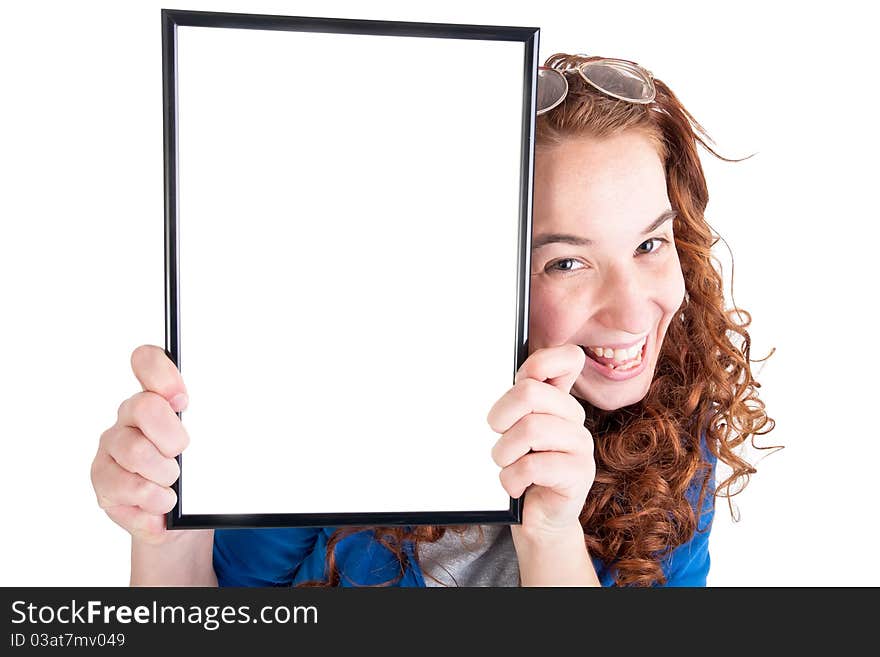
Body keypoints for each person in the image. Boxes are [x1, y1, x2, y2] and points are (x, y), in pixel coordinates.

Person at [90, 52, 775, 587]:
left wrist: (552, 535)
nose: (633, 310)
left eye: (649, 244)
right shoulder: (330, 414)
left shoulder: (679, 446)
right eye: (565, 262)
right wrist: (168, 542)